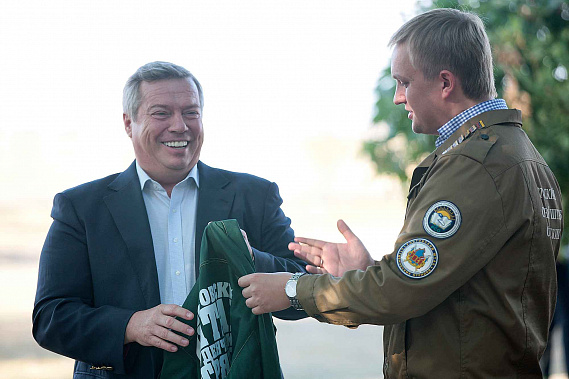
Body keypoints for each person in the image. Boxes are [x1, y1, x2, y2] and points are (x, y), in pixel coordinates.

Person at [238, 8, 563, 378]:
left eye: (404, 82)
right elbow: (457, 286)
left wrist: (295, 289)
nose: (397, 97)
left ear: (445, 83)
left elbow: (402, 291)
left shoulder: (476, 166)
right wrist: (369, 272)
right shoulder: (516, 155)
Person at [33, 61, 306, 379]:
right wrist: (131, 325)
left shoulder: (255, 195)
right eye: (161, 113)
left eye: (191, 112)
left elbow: (301, 289)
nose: (180, 126)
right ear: (128, 123)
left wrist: (250, 259)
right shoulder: (80, 208)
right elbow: (51, 318)